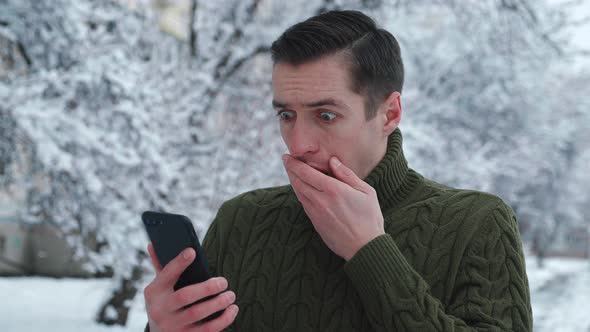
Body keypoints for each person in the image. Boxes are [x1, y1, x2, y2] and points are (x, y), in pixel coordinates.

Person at [143, 10, 533, 332]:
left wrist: (370, 252)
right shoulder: (242, 219)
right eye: (286, 115)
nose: (298, 144)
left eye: (326, 115)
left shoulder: (477, 223)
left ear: (389, 113)